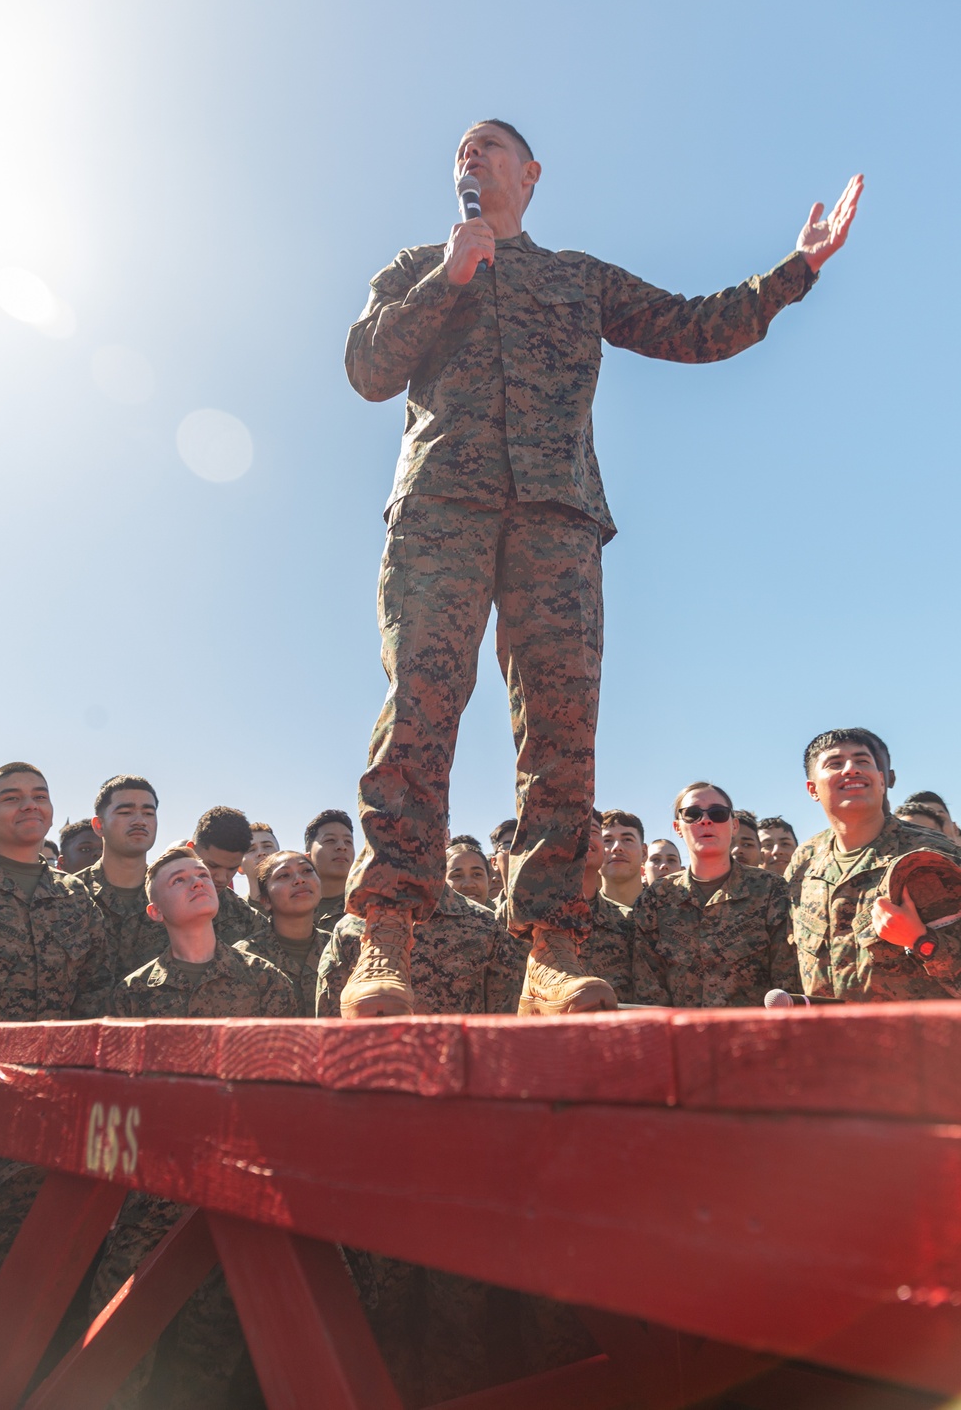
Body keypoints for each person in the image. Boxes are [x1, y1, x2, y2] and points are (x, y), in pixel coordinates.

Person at [340, 115, 861, 1019]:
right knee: (419, 713)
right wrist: (446, 277)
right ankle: (384, 940)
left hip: (556, 520)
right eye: (462, 148)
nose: (472, 155)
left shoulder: (576, 279)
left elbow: (694, 328)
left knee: (561, 729)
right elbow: (368, 369)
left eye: (491, 146)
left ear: (531, 174)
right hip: (441, 514)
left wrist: (796, 271)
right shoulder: (417, 265)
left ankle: (552, 950)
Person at [92, 846, 297, 1409]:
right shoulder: (133, 995)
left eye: (201, 875)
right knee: (119, 1344)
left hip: (237, 1195)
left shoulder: (266, 983)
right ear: (155, 911)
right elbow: (115, 1100)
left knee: (209, 1355)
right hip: (153, 1195)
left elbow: (285, 1093)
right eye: (178, 880)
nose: (195, 883)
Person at [0, 762, 112, 1331]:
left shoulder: (76, 899)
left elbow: (95, 992)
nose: (29, 805)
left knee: (22, 1285)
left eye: (39, 796)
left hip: (44, 1114)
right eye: (12, 797)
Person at [787, 730, 961, 1000]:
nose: (851, 769)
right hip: (829, 1038)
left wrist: (920, 940)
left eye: (862, 761)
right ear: (812, 790)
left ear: (881, 780)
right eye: (835, 763)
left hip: (918, 1039)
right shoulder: (804, 862)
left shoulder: (932, 856)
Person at [633, 781, 799, 1007]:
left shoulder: (771, 890)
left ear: (734, 826)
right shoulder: (656, 898)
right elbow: (649, 990)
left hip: (754, 1037)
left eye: (718, 813)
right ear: (677, 827)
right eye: (692, 814)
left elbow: (786, 982)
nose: (706, 820)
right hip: (680, 1037)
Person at [317, 880, 524, 1017]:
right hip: (376, 1072)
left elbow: (505, 1017)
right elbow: (330, 1021)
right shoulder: (350, 928)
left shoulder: (484, 923)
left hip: (458, 1072)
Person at [78, 774, 161, 980]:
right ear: (99, 825)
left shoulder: (172, 893)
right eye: (125, 812)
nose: (140, 821)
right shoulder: (69, 894)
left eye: (149, 813)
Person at [234, 851, 329, 1017]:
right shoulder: (242, 959)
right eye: (284, 875)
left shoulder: (343, 948)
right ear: (266, 900)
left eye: (307, 871)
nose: (300, 880)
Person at [580, 810, 634, 1004]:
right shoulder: (521, 922)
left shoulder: (628, 924)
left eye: (593, 831)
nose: (584, 836)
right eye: (574, 829)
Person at [189, 806, 263, 943]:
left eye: (231, 869)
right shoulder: (153, 898)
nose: (222, 878)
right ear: (190, 850)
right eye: (212, 866)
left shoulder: (248, 919)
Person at [305, 808, 355, 933]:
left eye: (348, 841)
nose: (342, 847)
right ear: (308, 857)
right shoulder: (292, 907)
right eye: (330, 840)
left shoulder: (368, 906)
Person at [599, 810, 646, 907]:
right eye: (607, 840)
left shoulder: (672, 905)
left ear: (644, 852)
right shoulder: (578, 916)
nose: (617, 848)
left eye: (627, 839)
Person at [240, 821, 279, 910]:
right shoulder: (234, 912)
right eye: (251, 850)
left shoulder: (301, 904)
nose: (261, 853)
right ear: (239, 867)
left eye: (267, 846)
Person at [445, 835, 492, 905]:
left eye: (477, 874)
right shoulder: (425, 915)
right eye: (457, 876)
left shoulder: (506, 915)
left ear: (489, 881)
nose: (468, 885)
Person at [488, 817, 517, 905]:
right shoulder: (484, 915)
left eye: (528, 845)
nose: (518, 850)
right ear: (494, 862)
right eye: (509, 845)